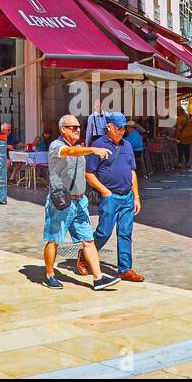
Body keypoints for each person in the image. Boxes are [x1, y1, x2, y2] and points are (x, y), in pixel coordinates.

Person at [42, 114, 118, 290]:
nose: (77, 130)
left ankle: (98, 278)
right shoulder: (57, 146)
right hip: (61, 202)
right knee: (54, 239)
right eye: (73, 127)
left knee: (88, 240)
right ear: (63, 129)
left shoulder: (79, 148)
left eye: (78, 127)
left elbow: (83, 172)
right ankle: (49, 274)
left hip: (79, 202)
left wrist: (101, 189)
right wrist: (92, 150)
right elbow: (68, 152)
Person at [80, 113, 144, 283]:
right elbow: (88, 173)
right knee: (104, 232)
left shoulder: (128, 146)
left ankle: (125, 269)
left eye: (124, 128)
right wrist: (105, 191)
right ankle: (85, 255)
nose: (122, 131)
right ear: (109, 127)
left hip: (127, 197)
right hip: (110, 197)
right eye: (118, 128)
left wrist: (136, 196)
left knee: (125, 233)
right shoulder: (98, 145)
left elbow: (132, 172)